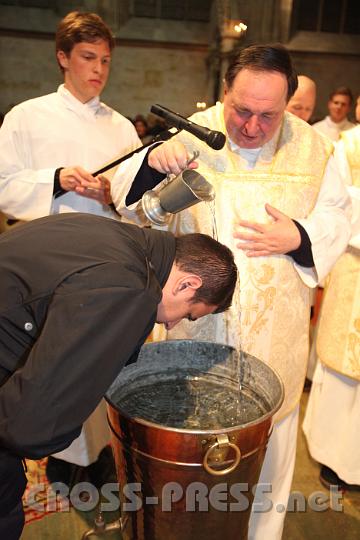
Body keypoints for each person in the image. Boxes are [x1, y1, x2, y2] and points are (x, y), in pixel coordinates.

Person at [110, 43, 352, 539]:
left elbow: (340, 217)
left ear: (288, 103)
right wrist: (155, 162)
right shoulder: (189, 135)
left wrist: (301, 237)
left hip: (273, 343)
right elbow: (130, 212)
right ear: (225, 92)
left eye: (269, 115)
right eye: (242, 110)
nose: (252, 126)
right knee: (183, 482)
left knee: (265, 480)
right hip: (190, 338)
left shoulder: (317, 149)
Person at [0, 212, 237, 539]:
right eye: (189, 313)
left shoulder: (122, 239)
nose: (170, 325)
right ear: (188, 284)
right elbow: (30, 428)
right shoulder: (131, 288)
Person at [0, 11, 141, 482]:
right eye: (87, 57)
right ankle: (56, 452)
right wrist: (56, 181)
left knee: (97, 356)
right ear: (62, 58)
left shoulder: (122, 127)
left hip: (105, 260)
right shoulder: (27, 116)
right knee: (53, 359)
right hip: (45, 264)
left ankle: (96, 451)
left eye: (104, 59)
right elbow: (3, 185)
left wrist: (112, 195)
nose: (98, 69)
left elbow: (135, 198)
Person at [303, 96, 360, 492]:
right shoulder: (349, 148)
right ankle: (334, 457)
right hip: (355, 264)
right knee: (344, 367)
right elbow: (338, 209)